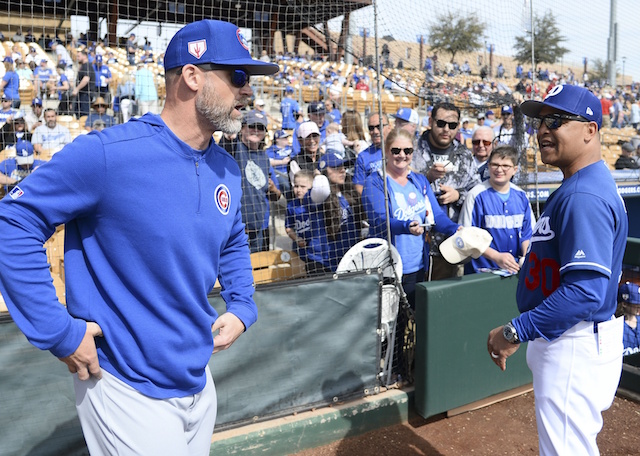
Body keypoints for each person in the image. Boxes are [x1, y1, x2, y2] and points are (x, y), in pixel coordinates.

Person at [0, 19, 277, 454]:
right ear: (192, 76)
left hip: (196, 375)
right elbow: (13, 221)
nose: (248, 91)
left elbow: (234, 236)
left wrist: (242, 303)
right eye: (238, 77)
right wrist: (58, 332)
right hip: (125, 383)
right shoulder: (108, 154)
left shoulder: (225, 164)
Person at [487, 84, 627, 456]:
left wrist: (515, 331)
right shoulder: (581, 185)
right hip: (574, 338)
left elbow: (584, 293)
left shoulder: (584, 196)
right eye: (540, 121)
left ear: (590, 130)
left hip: (573, 341)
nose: (543, 129)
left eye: (556, 120)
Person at [411, 101, 480, 280]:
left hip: (451, 246)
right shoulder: (412, 150)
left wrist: (458, 196)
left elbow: (476, 191)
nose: (446, 129)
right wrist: (427, 178)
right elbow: (398, 187)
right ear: (431, 121)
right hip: (416, 245)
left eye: (452, 125)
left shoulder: (464, 154)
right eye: (441, 124)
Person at [459, 145, 534, 274]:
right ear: (488, 166)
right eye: (495, 164)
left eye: (505, 166)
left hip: (514, 269)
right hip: (482, 272)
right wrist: (496, 257)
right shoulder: (476, 194)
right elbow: (466, 236)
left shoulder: (521, 196)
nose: (499, 169)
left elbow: (527, 234)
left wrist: (527, 257)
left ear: (515, 169)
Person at [303, 152, 363, 274]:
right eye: (336, 167)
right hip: (322, 263)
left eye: (344, 167)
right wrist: (319, 176)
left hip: (346, 261)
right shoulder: (317, 195)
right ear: (324, 172)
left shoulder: (347, 195)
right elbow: (318, 191)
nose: (342, 171)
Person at [234, 110, 281, 253]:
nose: (256, 130)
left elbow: (276, 196)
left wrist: (272, 188)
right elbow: (227, 141)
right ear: (242, 128)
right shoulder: (234, 149)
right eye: (251, 126)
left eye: (260, 128)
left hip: (258, 228)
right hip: (236, 229)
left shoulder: (264, 157)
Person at [353, 112, 392, 194]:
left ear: (389, 127)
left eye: (379, 127)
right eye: (371, 128)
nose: (375, 131)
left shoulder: (399, 149)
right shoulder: (363, 157)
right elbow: (359, 186)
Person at [285, 170, 314, 265]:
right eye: (296, 186)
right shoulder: (291, 205)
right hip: (299, 248)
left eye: (303, 187)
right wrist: (297, 239)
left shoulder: (315, 204)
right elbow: (288, 228)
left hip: (315, 247)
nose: (298, 190)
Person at [266, 129, 293, 194]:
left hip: (291, 172)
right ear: (277, 139)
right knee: (287, 187)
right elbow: (268, 162)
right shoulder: (271, 150)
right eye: (284, 138)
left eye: (287, 138)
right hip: (279, 173)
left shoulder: (290, 148)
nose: (287, 139)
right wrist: (282, 162)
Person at [72, 50, 96, 117]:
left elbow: (86, 79)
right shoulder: (84, 66)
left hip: (85, 95)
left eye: (79, 56)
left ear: (85, 56)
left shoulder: (86, 66)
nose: (77, 58)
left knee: (84, 115)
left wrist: (77, 89)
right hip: (82, 94)